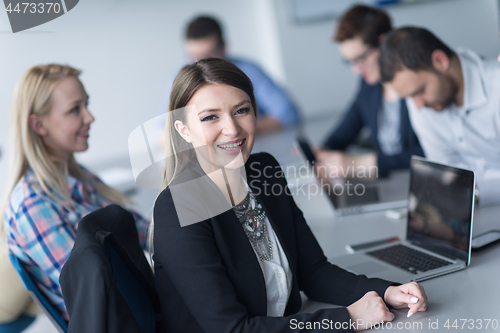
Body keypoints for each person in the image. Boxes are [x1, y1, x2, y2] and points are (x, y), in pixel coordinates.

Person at [152, 57, 428, 332]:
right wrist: (348, 319)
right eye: (210, 117)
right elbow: (232, 329)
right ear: (184, 130)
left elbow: (313, 272)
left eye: (241, 110)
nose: (233, 129)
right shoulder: (178, 206)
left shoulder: (263, 170)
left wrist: (388, 291)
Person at [1, 64, 150, 322]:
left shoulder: (77, 176)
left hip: (141, 309)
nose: (89, 117)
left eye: (86, 105)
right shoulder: (32, 206)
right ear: (38, 125)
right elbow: (96, 292)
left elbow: (140, 229)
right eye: (74, 110)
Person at [379, 27, 500, 205]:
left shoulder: (496, 88)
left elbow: (457, 188)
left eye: (419, 92)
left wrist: (471, 192)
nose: (418, 105)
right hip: (474, 213)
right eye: (409, 97)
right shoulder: (420, 102)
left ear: (440, 61)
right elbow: (447, 174)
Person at [318, 5, 424, 179]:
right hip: (393, 184)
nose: (356, 69)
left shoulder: (416, 84)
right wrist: (322, 152)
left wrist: (365, 164)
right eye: (350, 62)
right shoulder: (369, 85)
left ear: (383, 43)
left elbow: (432, 152)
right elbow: (345, 130)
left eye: (360, 59)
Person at [158, 15, 300, 134]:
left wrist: (237, 132)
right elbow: (161, 132)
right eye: (194, 56)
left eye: (208, 55)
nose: (200, 63)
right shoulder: (178, 78)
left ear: (224, 47)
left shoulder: (249, 70)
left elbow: (288, 113)